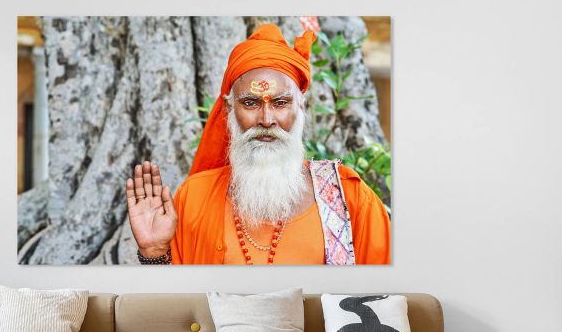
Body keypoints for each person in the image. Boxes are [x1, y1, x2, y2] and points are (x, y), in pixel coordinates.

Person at [124, 24, 390, 265]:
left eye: (280, 103)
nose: (266, 119)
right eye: (250, 103)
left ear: (301, 107)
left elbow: (381, 297)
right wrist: (154, 252)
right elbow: (173, 305)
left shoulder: (351, 198)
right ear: (229, 110)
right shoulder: (194, 197)